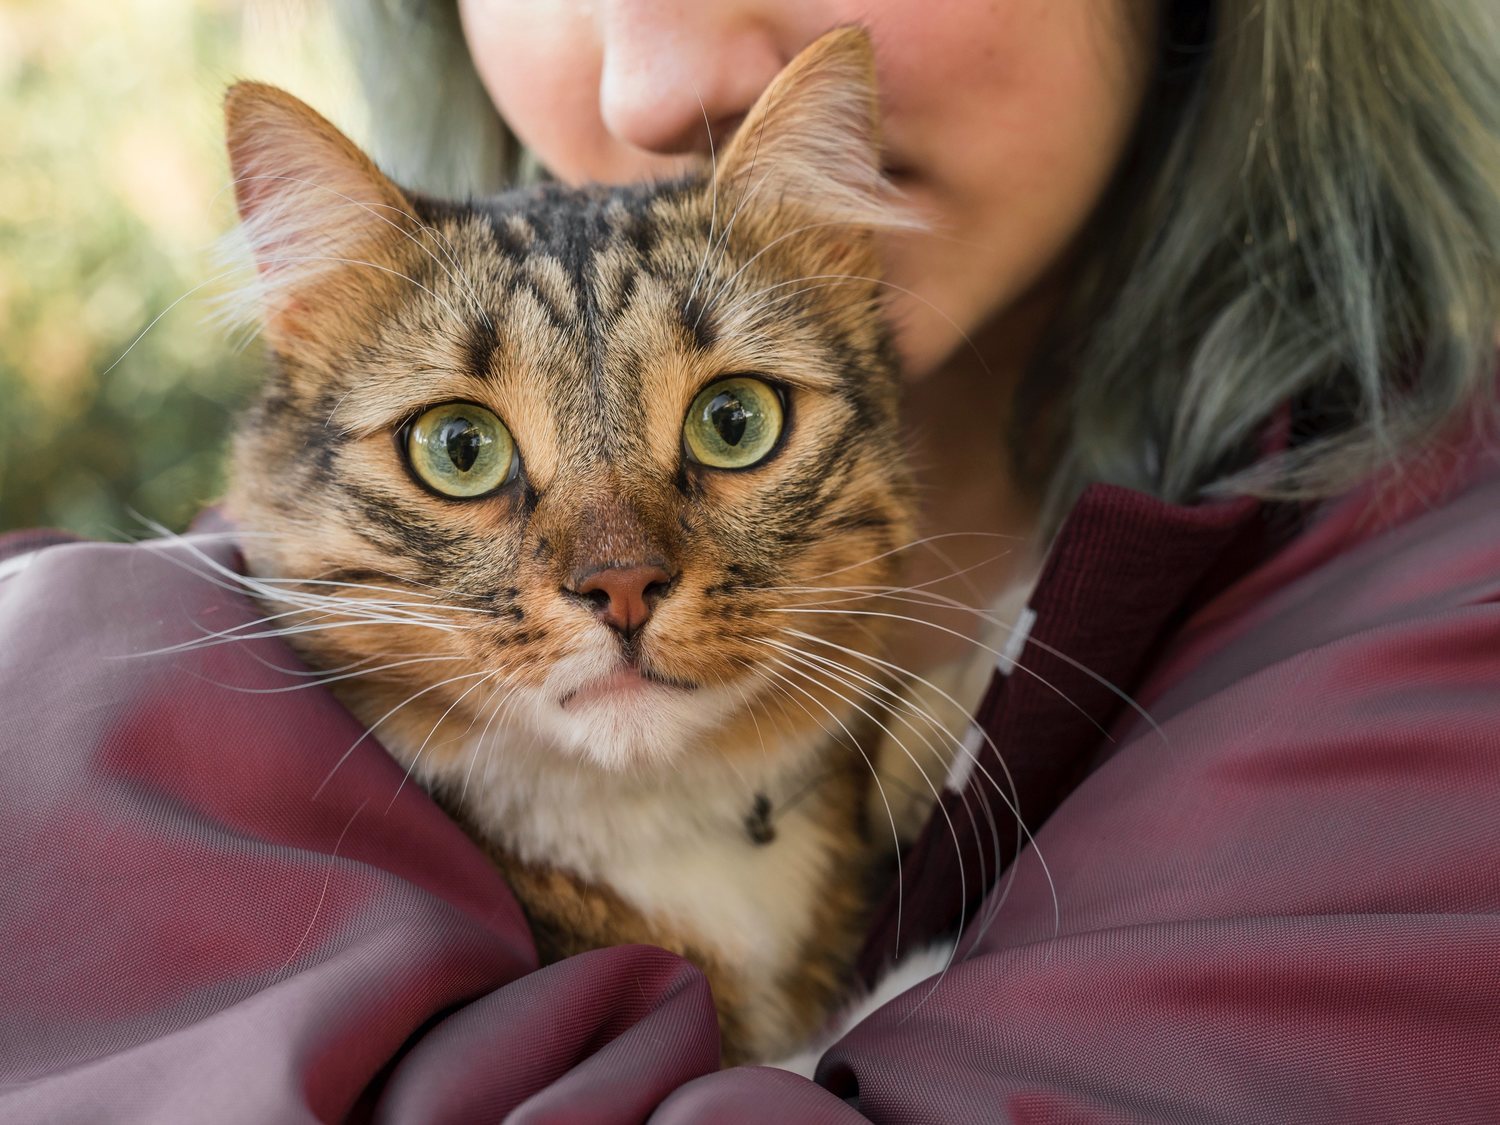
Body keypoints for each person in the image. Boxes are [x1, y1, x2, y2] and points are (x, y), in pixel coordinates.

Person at [1, 1, 1497, 1120]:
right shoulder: (140, 697)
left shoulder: (1440, 614)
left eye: (728, 417)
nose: (615, 574)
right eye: (463, 448)